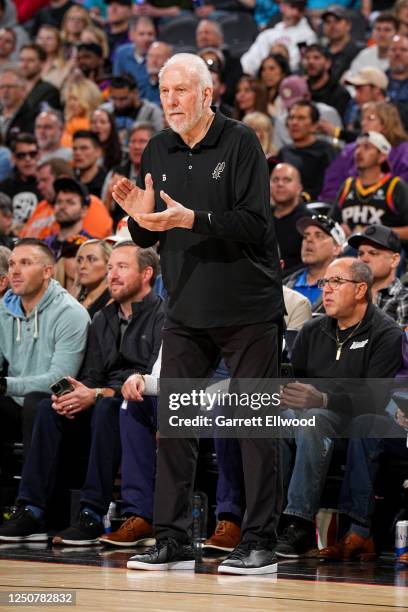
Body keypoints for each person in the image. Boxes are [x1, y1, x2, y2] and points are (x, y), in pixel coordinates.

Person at [112, 52, 284, 574]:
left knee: (254, 426)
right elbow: (152, 231)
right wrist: (139, 221)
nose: (171, 102)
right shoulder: (158, 148)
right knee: (176, 425)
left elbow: (255, 223)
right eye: (164, 92)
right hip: (185, 307)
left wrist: (194, 218)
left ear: (207, 94)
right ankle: (173, 539)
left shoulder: (240, 141)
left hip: (247, 307)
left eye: (181, 91)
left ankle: (260, 542)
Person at [0, 242, 164, 546]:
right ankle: (31, 509)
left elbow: (155, 377)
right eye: (111, 267)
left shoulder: (162, 316)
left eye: (122, 267)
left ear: (147, 274)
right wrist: (76, 394)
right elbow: (90, 377)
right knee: (50, 406)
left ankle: (91, 514)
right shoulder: (102, 319)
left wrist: (97, 394)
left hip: (142, 404)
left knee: (107, 408)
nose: (112, 275)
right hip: (102, 400)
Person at [277, 257, 403, 558]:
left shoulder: (386, 334)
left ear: (361, 289)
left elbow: (372, 399)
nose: (326, 291)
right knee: (277, 419)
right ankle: (268, 520)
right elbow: (298, 380)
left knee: (315, 420)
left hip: (356, 421)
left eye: (336, 282)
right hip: (312, 413)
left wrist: (323, 399)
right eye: (324, 283)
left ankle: (298, 522)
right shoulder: (312, 330)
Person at [0, 237, 90, 458]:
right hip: (14, 401)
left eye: (26, 263)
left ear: (47, 271)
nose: (15, 271)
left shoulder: (70, 313)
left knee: (36, 403)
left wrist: (4, 384)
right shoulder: (3, 310)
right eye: (12, 264)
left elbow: (60, 380)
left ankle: (33, 492)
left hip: (58, 403)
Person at [321, 102, 408, 202]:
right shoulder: (351, 150)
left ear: (386, 123)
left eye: (370, 119)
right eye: (363, 119)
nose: (363, 123)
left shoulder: (404, 151)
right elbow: (331, 186)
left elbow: (403, 190)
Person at [330, 131, 408, 241]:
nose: (358, 152)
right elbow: (330, 224)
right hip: (348, 251)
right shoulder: (347, 185)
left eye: (366, 147)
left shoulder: (395, 186)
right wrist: (339, 230)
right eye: (357, 147)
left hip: (385, 252)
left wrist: (375, 233)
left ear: (381, 156)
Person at [20, 159, 113, 241]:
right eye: (59, 202)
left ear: (63, 178)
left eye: (44, 180)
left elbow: (92, 246)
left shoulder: (91, 203)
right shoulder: (41, 206)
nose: (39, 186)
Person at [277, 100, 338, 200]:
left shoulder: (327, 151)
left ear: (314, 126)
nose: (294, 123)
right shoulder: (283, 152)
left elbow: (328, 188)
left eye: (301, 118)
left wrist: (304, 197)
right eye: (291, 118)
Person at [349, 225, 408, 327]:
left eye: (373, 253)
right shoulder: (348, 294)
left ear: (394, 260)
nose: (364, 259)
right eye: (360, 253)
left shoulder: (405, 298)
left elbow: (401, 342)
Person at [283, 214, 345, 311]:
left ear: (336, 248)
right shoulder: (285, 283)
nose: (309, 240)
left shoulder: (344, 289)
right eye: (305, 236)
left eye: (318, 236)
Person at [241, 0, 316, 75]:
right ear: (282, 7)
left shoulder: (307, 35)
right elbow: (248, 61)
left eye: (300, 9)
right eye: (292, 7)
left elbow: (301, 65)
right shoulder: (269, 33)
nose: (295, 13)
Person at [102, 121, 155, 226]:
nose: (136, 146)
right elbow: (103, 214)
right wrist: (109, 195)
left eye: (142, 141)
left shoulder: (162, 173)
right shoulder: (115, 173)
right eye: (132, 141)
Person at [270, 162, 311, 275]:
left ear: (299, 188)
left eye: (287, 180)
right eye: (275, 180)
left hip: (295, 283)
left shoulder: (310, 221)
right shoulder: (259, 217)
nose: (280, 184)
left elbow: (313, 262)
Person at [105, 74, 163, 146]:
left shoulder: (152, 112)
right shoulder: (105, 111)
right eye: (114, 98)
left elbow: (160, 140)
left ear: (135, 93)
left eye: (123, 99)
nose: (118, 104)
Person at [45, 177, 94, 259]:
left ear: (84, 210)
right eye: (59, 201)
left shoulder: (91, 246)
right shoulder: (45, 245)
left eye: (70, 202)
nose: (62, 207)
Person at [0, 133, 41, 228]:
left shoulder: (47, 185)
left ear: (39, 155)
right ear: (13, 158)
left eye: (32, 154)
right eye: (21, 155)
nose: (28, 159)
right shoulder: (4, 187)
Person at [302, 43, 351, 120]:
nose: (310, 62)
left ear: (328, 63)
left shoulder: (340, 93)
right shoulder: (301, 89)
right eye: (307, 58)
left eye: (316, 58)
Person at [112, 16, 156, 100]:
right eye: (141, 34)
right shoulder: (122, 53)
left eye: (150, 34)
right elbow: (117, 83)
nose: (146, 38)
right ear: (131, 36)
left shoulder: (161, 54)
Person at [320, 5, 361, 81]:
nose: (332, 25)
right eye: (327, 22)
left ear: (348, 25)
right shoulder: (320, 51)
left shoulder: (359, 52)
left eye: (337, 21)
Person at [74, 239, 112, 318]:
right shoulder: (74, 298)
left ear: (108, 265)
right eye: (79, 260)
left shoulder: (114, 303)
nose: (82, 266)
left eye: (91, 259)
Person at [72, 130, 107, 199]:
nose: (77, 153)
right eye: (75, 149)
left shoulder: (107, 183)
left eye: (84, 148)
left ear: (98, 152)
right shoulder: (69, 180)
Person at [144, 40, 173, 106]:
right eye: (151, 56)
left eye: (159, 57)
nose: (153, 61)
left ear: (169, 61)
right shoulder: (139, 82)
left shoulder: (175, 86)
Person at [386, 34, 408, 106]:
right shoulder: (378, 81)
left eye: (403, 50)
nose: (397, 53)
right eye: (393, 49)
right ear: (387, 53)